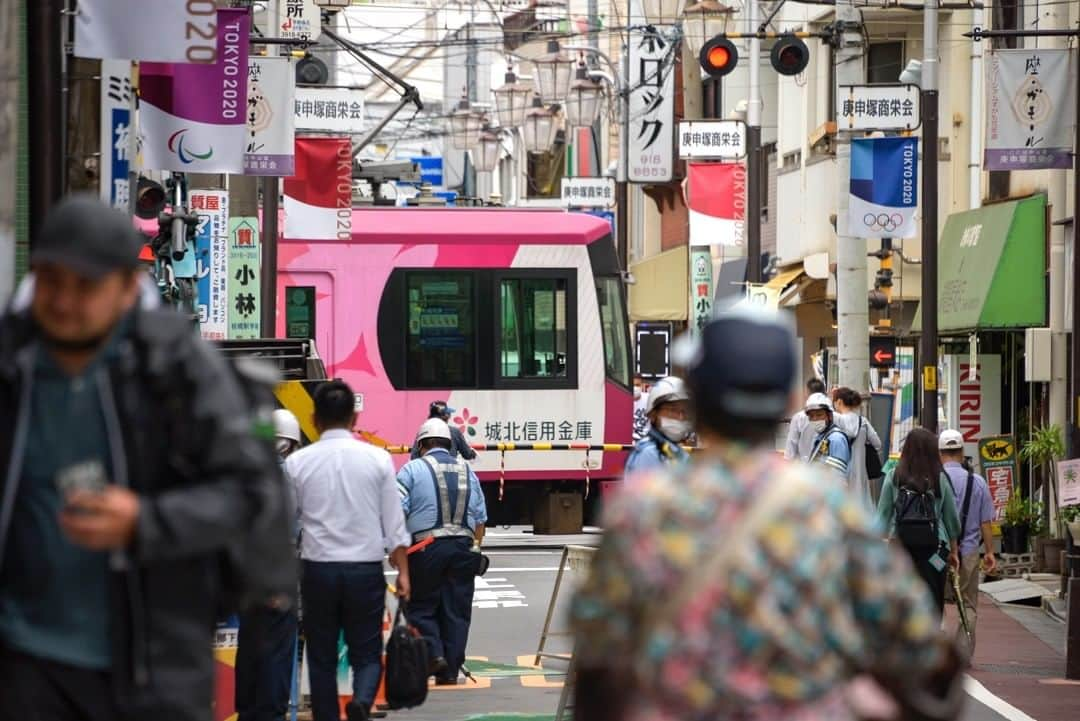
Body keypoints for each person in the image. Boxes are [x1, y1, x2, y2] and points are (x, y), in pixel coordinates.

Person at [570, 308, 963, 721]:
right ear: (787, 403)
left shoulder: (641, 510)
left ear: (699, 400)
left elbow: (598, 661)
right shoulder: (829, 511)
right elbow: (918, 648)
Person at [0, 195, 290, 721]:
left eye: (85, 286)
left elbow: (252, 497)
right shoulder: (11, 367)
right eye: (50, 280)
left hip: (149, 670)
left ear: (126, 288)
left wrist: (146, 520)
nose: (64, 300)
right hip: (23, 664)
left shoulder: (178, 374)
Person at [287, 380, 411, 721]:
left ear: (313, 419)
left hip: (318, 570)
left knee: (322, 656)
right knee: (368, 652)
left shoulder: (298, 464)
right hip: (364, 570)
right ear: (354, 418)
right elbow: (394, 524)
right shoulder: (378, 460)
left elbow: (286, 523)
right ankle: (361, 701)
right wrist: (403, 572)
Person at [396, 418, 487, 686]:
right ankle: (449, 672)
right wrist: (475, 549)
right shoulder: (467, 471)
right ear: (450, 444)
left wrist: (396, 549)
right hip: (463, 548)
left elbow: (396, 511)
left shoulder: (411, 469)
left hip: (425, 547)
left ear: (422, 444)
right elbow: (481, 518)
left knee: (421, 607)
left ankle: (434, 654)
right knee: (457, 611)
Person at [235, 409, 304, 721]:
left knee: (249, 643)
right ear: (290, 442)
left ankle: (249, 711)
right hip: (279, 571)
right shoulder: (290, 475)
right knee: (278, 647)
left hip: (246, 573)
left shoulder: (246, 473)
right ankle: (273, 713)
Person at [876, 428, 962, 614]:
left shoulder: (894, 475)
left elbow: (882, 515)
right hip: (935, 550)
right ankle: (932, 631)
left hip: (900, 547)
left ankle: (904, 631)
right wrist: (953, 550)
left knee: (899, 593)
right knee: (934, 591)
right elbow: (951, 519)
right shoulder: (939, 478)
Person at [939, 428, 997, 651]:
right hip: (970, 552)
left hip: (939, 551)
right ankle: (962, 651)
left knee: (935, 600)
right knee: (969, 604)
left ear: (940, 453)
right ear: (962, 452)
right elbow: (985, 523)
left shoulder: (934, 479)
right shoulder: (978, 482)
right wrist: (990, 552)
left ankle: (938, 647)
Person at [624, 376, 691, 475]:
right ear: (654, 413)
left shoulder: (676, 452)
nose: (680, 417)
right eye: (672, 410)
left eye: (684, 411)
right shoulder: (649, 454)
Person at [831, 387, 884, 509]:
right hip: (860, 474)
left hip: (840, 472)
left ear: (839, 402)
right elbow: (877, 444)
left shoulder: (836, 420)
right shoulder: (863, 422)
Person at [409, 401, 476, 461]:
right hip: (450, 471)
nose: (450, 416)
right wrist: (473, 453)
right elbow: (467, 455)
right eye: (448, 414)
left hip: (428, 470)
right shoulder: (454, 432)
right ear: (445, 416)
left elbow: (414, 456)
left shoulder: (423, 430)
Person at [805, 393, 851, 480]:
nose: (815, 419)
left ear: (829, 416)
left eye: (819, 415)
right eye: (811, 416)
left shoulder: (836, 439)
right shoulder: (822, 437)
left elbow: (837, 478)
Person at [784, 377, 826, 461]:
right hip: (826, 467)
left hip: (804, 467)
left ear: (807, 394)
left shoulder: (799, 417)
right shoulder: (832, 416)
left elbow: (791, 446)